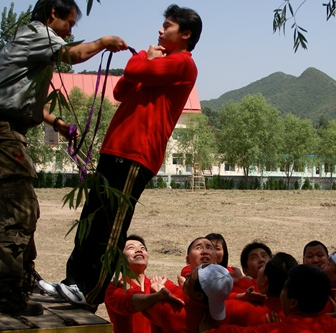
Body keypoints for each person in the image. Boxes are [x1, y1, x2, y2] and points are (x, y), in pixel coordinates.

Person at [39, 4, 202, 310]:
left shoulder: (183, 64)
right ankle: (72, 282)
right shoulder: (159, 64)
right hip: (116, 148)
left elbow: (133, 70)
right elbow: (121, 89)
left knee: (110, 224)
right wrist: (147, 62)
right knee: (91, 217)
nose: (160, 30)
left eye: (167, 26)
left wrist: (144, 58)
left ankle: (90, 292)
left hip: (137, 154)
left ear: (185, 34)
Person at [0, 0, 128, 316]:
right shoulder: (38, 33)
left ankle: (22, 276)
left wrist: (55, 122)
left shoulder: (27, 44)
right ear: (52, 15)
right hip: (5, 132)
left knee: (23, 207)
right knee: (19, 211)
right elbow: (72, 55)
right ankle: (6, 290)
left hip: (11, 128)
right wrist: (103, 42)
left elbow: (16, 97)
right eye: (69, 24)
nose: (71, 31)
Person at [208, 265, 336, 333]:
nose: (281, 293)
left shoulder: (276, 330)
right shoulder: (335, 325)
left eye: (284, 289)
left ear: (293, 303)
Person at [103, 235, 175, 333]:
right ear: (120, 261)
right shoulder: (114, 288)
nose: (139, 250)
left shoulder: (161, 284)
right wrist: (159, 296)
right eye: (131, 248)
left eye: (142, 248)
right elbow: (129, 304)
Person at [140, 263, 233, 333]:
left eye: (190, 278)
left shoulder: (172, 311)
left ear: (199, 295)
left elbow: (141, 305)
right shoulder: (223, 315)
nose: (187, 275)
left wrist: (157, 294)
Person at [222, 252, 298, 327]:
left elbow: (214, 305)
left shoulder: (241, 309)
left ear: (265, 280)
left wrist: (242, 296)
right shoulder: (297, 313)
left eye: (263, 266)